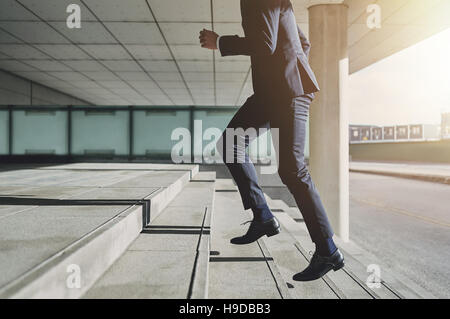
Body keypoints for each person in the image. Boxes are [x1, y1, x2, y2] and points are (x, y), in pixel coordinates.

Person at [199, 0, 344, 281]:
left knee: (292, 169)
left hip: (289, 92)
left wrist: (221, 43)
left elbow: (265, 43)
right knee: (231, 143)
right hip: (272, 92)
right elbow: (302, 41)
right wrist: (291, 66)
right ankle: (263, 216)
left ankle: (328, 250)